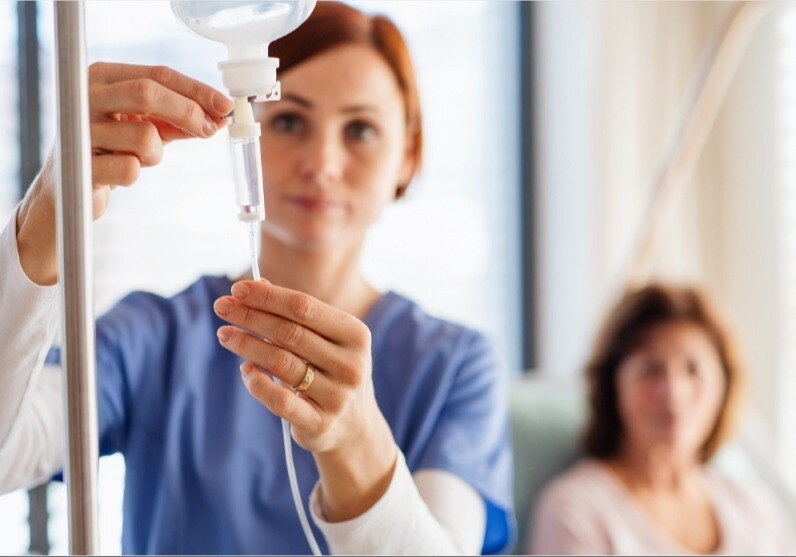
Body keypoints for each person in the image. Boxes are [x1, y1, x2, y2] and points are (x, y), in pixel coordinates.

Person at [0, 3, 513, 554]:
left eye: (360, 129)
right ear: (244, 125)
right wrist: (44, 221)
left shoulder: (454, 367)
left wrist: (355, 442)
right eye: (290, 120)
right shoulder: (154, 337)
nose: (322, 162)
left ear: (407, 156)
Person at [528, 284, 796, 555]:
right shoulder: (578, 510)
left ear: (724, 385)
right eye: (650, 370)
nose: (673, 393)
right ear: (613, 385)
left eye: (693, 369)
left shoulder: (754, 507)